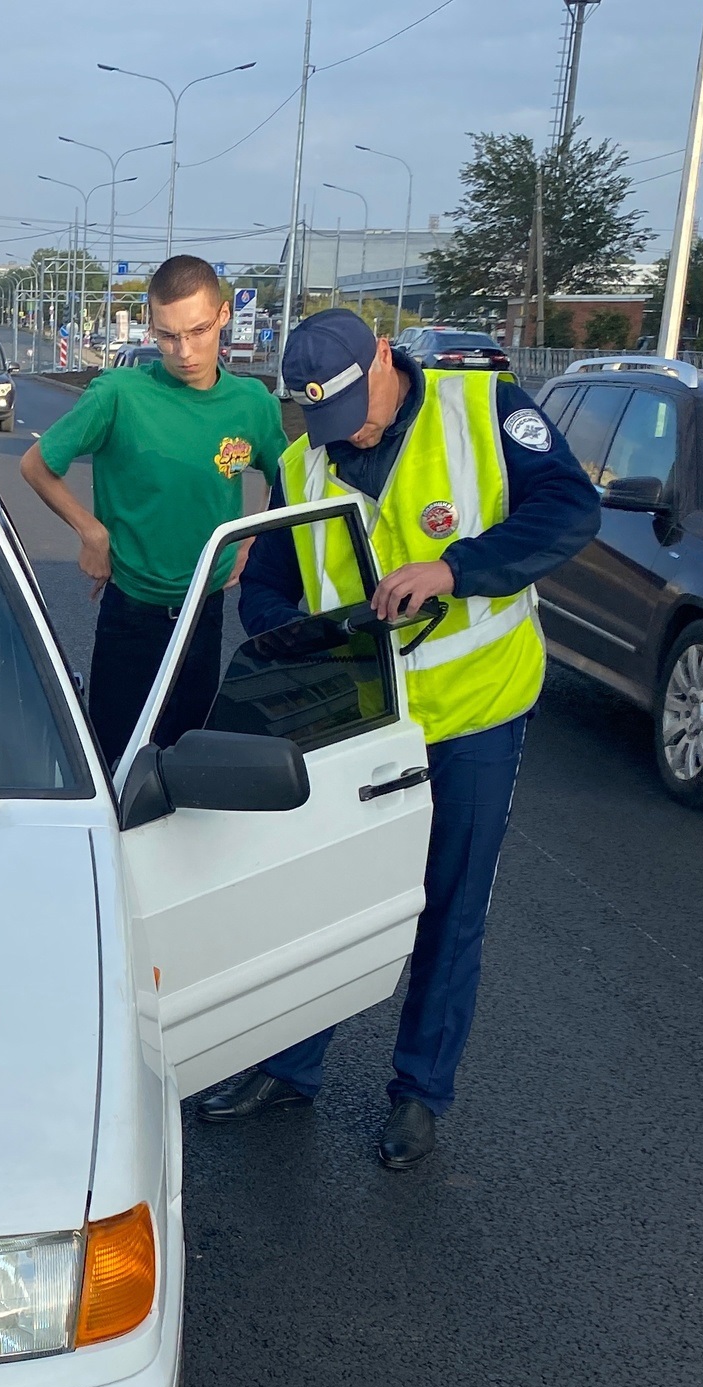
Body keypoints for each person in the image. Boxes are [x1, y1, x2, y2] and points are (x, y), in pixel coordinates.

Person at [195, 307, 599, 1169]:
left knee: (449, 909)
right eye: (328, 422)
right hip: (362, 725)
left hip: (474, 714)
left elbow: (569, 511)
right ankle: (290, 1068)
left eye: (359, 410)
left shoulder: (484, 408)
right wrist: (316, 639)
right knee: (329, 901)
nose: (353, 434)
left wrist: (456, 569)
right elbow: (265, 588)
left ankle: (419, 1096)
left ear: (383, 354)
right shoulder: (306, 463)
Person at [18, 255, 285, 764]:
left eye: (198, 331)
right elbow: (36, 464)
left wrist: (255, 541)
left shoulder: (254, 404)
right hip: (130, 617)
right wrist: (92, 534)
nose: (184, 351)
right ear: (151, 327)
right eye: (166, 336)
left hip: (203, 619)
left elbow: (289, 482)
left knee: (186, 767)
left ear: (224, 316)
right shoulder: (119, 394)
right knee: (117, 766)